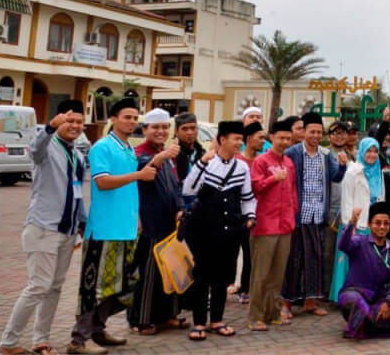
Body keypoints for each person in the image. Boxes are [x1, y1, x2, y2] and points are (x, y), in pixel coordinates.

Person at [0, 101, 86, 355]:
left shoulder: (78, 155)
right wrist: (48, 128)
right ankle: (9, 342)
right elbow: (34, 149)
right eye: (70, 121)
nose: (75, 126)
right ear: (59, 120)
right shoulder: (47, 148)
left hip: (67, 232)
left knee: (55, 287)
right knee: (38, 286)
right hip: (43, 228)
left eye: (79, 122)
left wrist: (81, 222)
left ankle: (41, 340)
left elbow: (77, 191)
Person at [69, 98, 154, 355]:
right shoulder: (102, 147)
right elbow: (103, 182)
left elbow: (129, 190)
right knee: (93, 287)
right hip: (104, 229)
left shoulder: (129, 148)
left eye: (135, 117)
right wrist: (139, 175)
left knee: (123, 283)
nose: (132, 122)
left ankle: (98, 328)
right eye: (127, 117)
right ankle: (78, 340)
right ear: (114, 119)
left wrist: (136, 217)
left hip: (126, 228)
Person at [182, 120, 257, 341]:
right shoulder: (205, 162)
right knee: (201, 277)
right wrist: (202, 164)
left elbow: (247, 198)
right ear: (222, 139)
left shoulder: (242, 167)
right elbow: (189, 190)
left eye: (241, 140)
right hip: (203, 230)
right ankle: (198, 323)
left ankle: (217, 320)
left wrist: (250, 218)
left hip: (230, 231)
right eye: (236, 139)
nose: (239, 143)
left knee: (223, 277)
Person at [282, 112, 346, 318]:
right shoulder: (292, 153)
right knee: (293, 260)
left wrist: (343, 166)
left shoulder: (326, 155)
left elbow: (336, 178)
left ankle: (311, 301)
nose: (316, 135)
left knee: (315, 259)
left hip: (318, 216)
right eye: (312, 131)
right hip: (298, 216)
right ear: (304, 132)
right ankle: (286, 304)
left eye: (319, 132)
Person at [331, 137, 390, 301]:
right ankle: (343, 295)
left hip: (371, 223)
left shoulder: (378, 171)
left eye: (375, 151)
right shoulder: (353, 171)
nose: (372, 155)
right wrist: (350, 224)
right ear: (362, 151)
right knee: (348, 261)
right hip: (355, 223)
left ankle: (365, 292)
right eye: (368, 151)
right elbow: (346, 199)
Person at [128, 108, 183, 336]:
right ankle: (142, 319)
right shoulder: (139, 153)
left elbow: (176, 185)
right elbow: (146, 168)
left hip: (170, 224)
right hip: (150, 224)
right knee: (149, 273)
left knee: (170, 271)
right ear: (145, 130)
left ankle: (168, 315)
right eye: (155, 127)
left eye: (164, 127)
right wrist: (163, 157)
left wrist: (180, 207)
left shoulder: (167, 155)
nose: (161, 131)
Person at [247, 119, 297, 332]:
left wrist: (293, 213)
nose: (285, 142)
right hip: (265, 225)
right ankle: (255, 316)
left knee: (277, 274)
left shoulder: (289, 163)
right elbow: (254, 188)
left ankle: (273, 312)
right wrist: (273, 179)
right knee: (261, 274)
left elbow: (293, 192)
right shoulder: (261, 162)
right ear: (271, 138)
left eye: (288, 138)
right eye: (281, 138)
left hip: (285, 225)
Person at [336, 203, 390, 339]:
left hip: (381, 297)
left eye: (386, 223)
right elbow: (343, 245)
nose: (382, 227)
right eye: (377, 223)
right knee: (352, 300)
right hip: (358, 293)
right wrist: (352, 222)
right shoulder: (359, 241)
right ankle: (377, 325)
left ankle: (365, 325)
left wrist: (388, 302)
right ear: (369, 225)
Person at [232, 121, 265, 304]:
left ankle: (247, 288)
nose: (263, 141)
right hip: (237, 212)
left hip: (257, 212)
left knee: (250, 251)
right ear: (249, 138)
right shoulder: (237, 160)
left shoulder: (263, 159)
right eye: (260, 137)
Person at [322, 120, 355, 293]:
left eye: (343, 133)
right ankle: (326, 291)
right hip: (330, 210)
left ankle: (342, 290)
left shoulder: (353, 155)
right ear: (329, 136)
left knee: (344, 253)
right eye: (336, 133)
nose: (340, 136)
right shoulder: (324, 154)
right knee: (328, 253)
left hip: (348, 212)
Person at [173, 112, 204, 183]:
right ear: (176, 132)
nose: (189, 132)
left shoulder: (202, 153)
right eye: (184, 129)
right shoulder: (173, 155)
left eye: (193, 128)